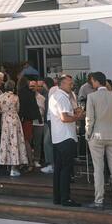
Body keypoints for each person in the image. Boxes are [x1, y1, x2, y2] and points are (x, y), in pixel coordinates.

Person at [85, 71, 112, 210]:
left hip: (97, 135)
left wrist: (87, 133)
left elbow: (89, 118)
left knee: (98, 168)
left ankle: (99, 200)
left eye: (92, 81)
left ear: (96, 81)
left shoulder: (91, 97)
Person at [49, 74, 83, 207]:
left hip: (58, 137)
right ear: (62, 84)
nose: (72, 86)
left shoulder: (55, 96)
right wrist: (78, 117)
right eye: (69, 84)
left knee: (58, 169)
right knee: (65, 169)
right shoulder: (62, 97)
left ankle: (57, 197)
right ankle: (65, 198)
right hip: (66, 136)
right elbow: (65, 118)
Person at [0, 80, 28, 177]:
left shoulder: (1, 97)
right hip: (15, 120)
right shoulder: (16, 97)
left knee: (6, 142)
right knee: (15, 142)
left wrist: (2, 110)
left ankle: (5, 163)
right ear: (13, 87)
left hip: (5, 121)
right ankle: (14, 168)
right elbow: (18, 109)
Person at [18, 76, 41, 169]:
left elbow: (21, 108)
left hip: (23, 119)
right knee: (28, 140)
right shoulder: (30, 93)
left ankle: (26, 162)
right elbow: (35, 107)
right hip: (30, 120)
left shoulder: (20, 93)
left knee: (24, 141)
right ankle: (29, 161)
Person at [40, 77, 56, 174]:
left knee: (47, 142)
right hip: (49, 121)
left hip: (50, 122)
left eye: (43, 85)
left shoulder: (50, 93)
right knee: (48, 142)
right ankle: (52, 164)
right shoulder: (49, 92)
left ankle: (51, 164)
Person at [32, 80, 47, 169]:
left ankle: (36, 160)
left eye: (34, 86)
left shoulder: (42, 98)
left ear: (37, 87)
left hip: (39, 122)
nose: (32, 88)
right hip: (29, 122)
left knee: (37, 143)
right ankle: (29, 160)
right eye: (31, 86)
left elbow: (44, 111)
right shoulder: (27, 97)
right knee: (29, 142)